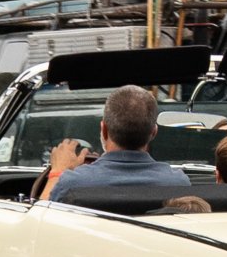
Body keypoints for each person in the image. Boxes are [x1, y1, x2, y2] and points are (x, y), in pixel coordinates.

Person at [42, 86, 190, 201]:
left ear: (104, 129)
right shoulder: (178, 184)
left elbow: (39, 223)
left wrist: (57, 173)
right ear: (153, 132)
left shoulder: (71, 185)